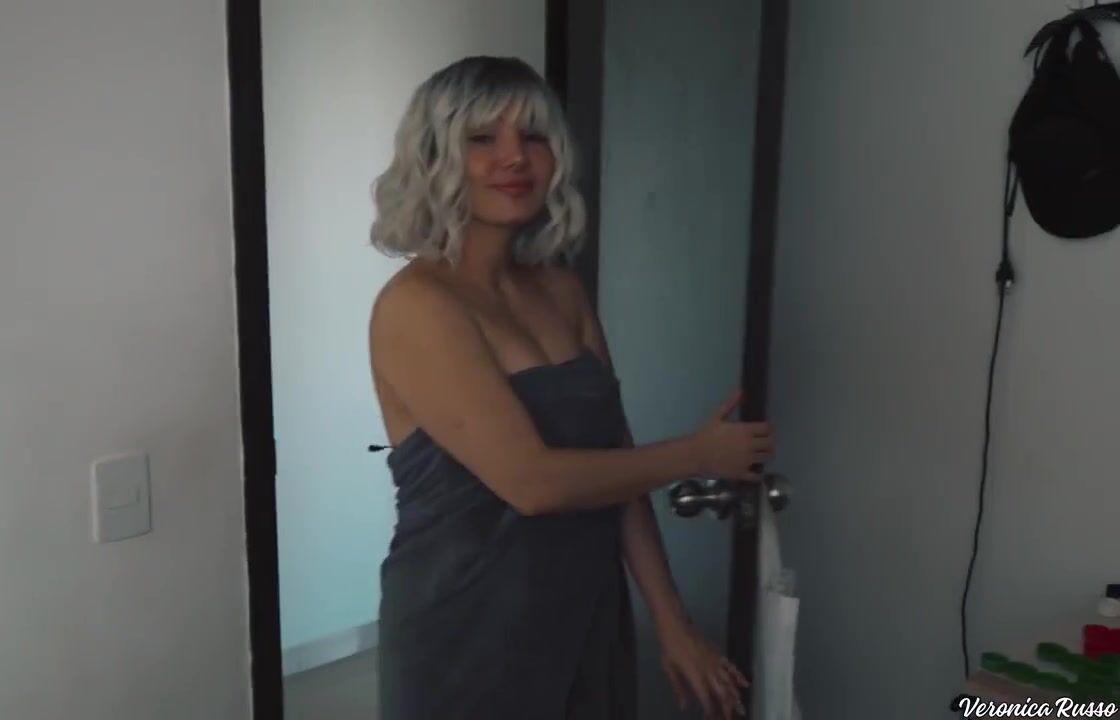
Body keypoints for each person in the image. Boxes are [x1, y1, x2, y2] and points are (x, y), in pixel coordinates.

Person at [367, 55, 774, 720]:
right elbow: (532, 483)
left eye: (533, 136)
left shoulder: (561, 290)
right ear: (436, 156)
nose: (515, 157)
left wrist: (669, 620)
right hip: (466, 624)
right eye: (482, 138)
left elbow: (616, 463)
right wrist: (697, 455)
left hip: (583, 611)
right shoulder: (418, 305)